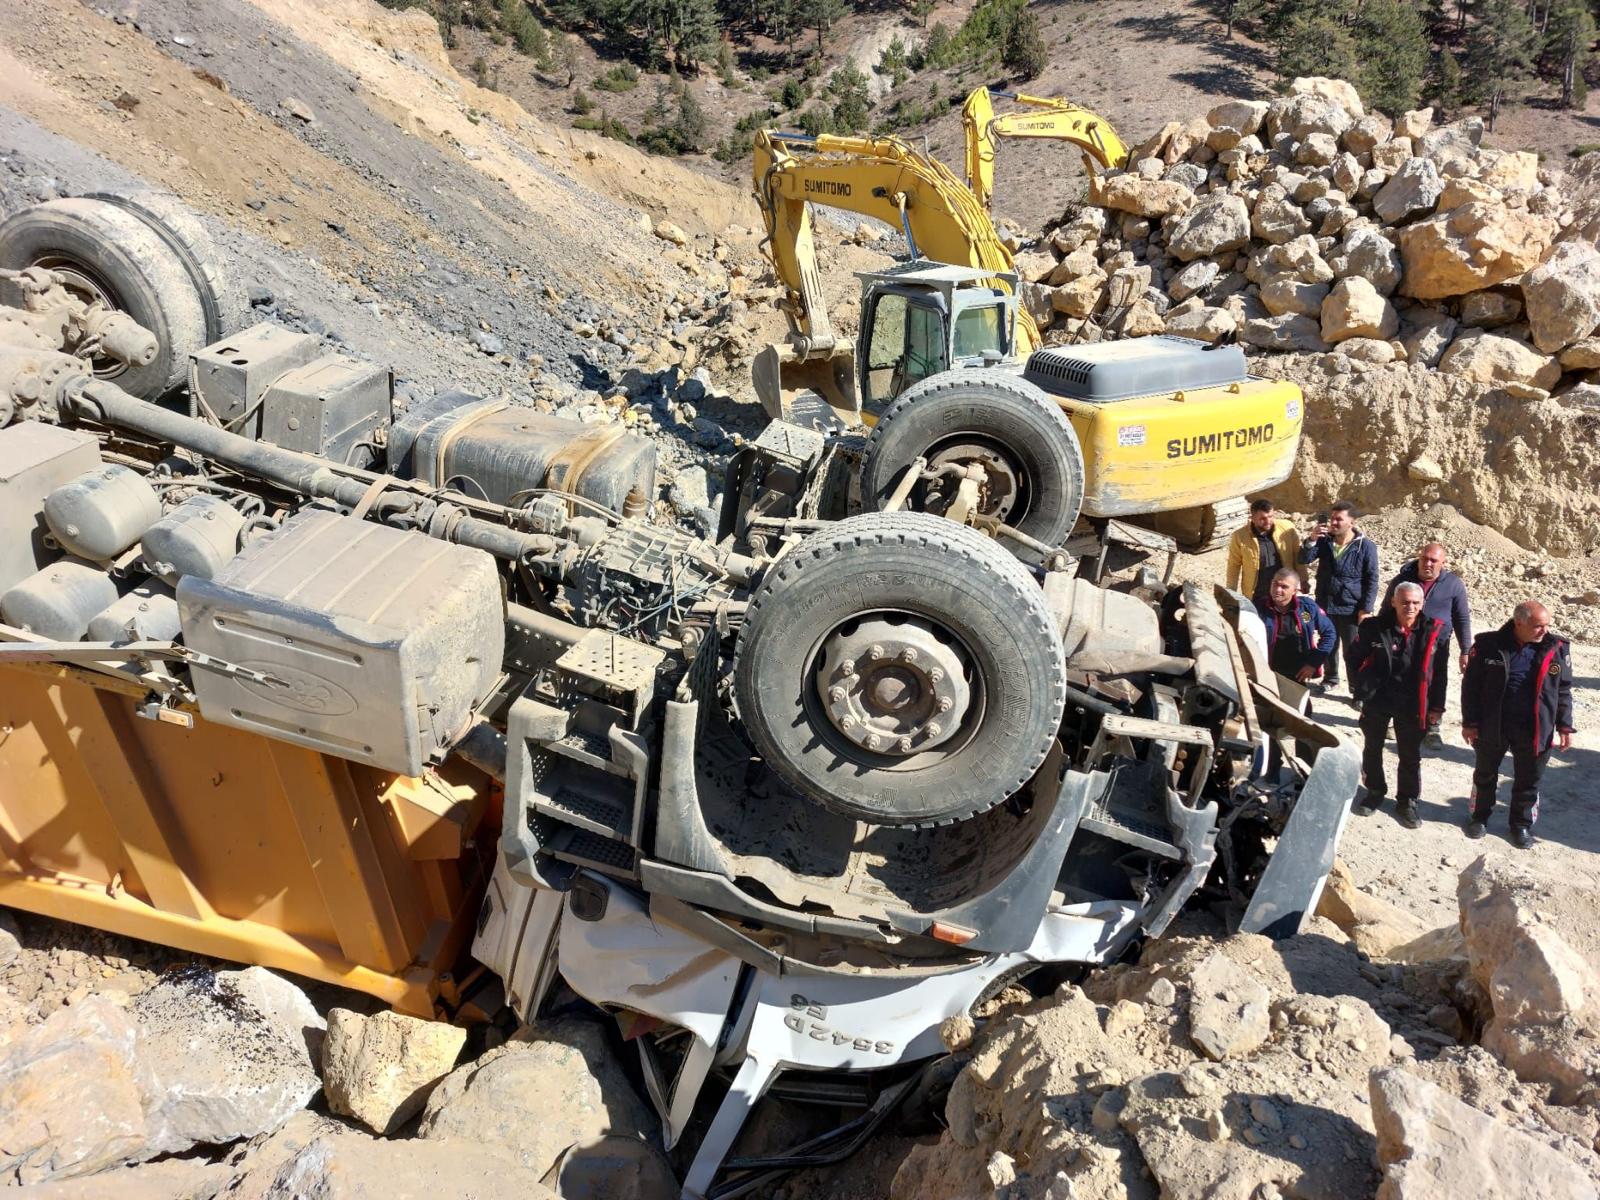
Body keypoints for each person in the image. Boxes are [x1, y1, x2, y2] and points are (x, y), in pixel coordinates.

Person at [1460, 600, 1576, 849]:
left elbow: (1563, 690)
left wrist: (1564, 726)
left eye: (1546, 625)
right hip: (1494, 724)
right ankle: (1479, 818)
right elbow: (1471, 686)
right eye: (1537, 626)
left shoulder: (1557, 648)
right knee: (1485, 774)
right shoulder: (1488, 645)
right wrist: (1469, 722)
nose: (1544, 631)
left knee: (1528, 779)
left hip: (1535, 727)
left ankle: (1520, 825)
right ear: (1518, 623)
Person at [1350, 582, 1446, 829]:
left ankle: (1407, 801)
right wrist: (1360, 688)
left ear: (1422, 604)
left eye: (1415, 602)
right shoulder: (1373, 627)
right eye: (1404, 602)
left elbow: (1441, 673)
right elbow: (1353, 656)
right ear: (1393, 601)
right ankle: (1374, 791)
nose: (1410, 607)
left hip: (1413, 703)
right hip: (1378, 699)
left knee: (1410, 755)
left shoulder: (1435, 630)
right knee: (1372, 748)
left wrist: (1437, 706)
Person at [1383, 542, 1473, 750]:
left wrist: (1465, 650)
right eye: (1425, 558)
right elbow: (1387, 609)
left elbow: (1462, 618)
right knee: (1398, 677)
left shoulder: (1453, 584)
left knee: (1436, 681)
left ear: (1443, 563)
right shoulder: (1402, 580)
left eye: (1434, 560)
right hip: (1403, 639)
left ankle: (1433, 728)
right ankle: (1395, 719)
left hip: (1437, 644)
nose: (1428, 564)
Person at [1300, 500, 1379, 695]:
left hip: (1350, 606)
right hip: (1325, 603)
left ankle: (1356, 687)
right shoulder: (1324, 541)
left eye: (1338, 519)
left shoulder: (1365, 547)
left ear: (1351, 522)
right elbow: (1304, 559)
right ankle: (1331, 678)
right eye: (1332, 518)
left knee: (1352, 650)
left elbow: (1372, 579)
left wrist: (1366, 609)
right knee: (1328, 643)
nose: (1333, 523)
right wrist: (1311, 539)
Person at [1258, 567, 1337, 684]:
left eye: (1284, 587)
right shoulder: (1259, 608)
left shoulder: (1306, 609)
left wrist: (1313, 663)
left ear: (1294, 591)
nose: (1277, 590)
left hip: (1297, 673)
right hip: (1266, 671)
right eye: (1275, 584)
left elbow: (1329, 633)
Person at [1226, 498, 1304, 610]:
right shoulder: (1240, 536)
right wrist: (1230, 593)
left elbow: (1297, 556)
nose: (1268, 521)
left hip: (1283, 593)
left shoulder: (1287, 529)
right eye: (1262, 518)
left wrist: (1304, 579)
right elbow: (1233, 565)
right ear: (1252, 518)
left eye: (1271, 516)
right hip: (1257, 594)